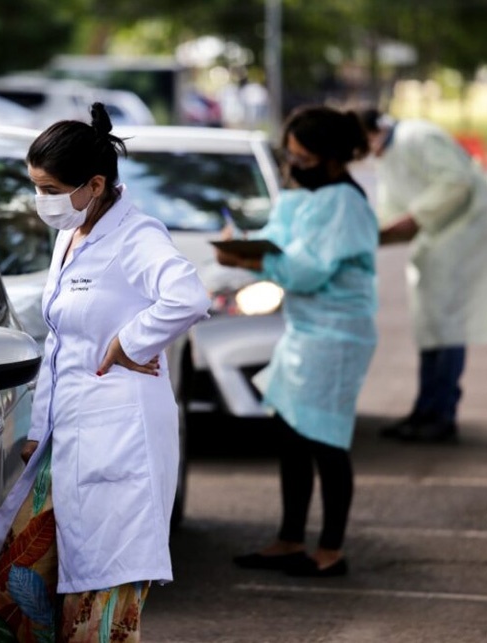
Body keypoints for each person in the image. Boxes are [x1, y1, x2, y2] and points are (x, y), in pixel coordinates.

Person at [0, 102, 210, 642]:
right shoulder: (72, 234)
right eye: (36, 187)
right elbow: (60, 340)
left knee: (99, 608)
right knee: (16, 587)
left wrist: (130, 341)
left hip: (119, 440)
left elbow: (188, 297)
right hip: (66, 437)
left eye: (51, 189)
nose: (41, 200)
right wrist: (39, 429)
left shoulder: (138, 236)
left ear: (96, 184)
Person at [215, 105, 378, 577]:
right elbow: (277, 238)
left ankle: (330, 551)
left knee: (326, 438)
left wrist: (248, 262)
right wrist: (243, 243)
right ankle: (289, 539)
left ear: (332, 158)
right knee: (290, 434)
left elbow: (307, 271)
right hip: (304, 329)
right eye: (290, 155)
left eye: (303, 158)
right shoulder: (304, 193)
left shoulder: (344, 201)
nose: (294, 165)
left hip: (336, 334)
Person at [355, 108, 487, 443]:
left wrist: (414, 218)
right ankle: (426, 409)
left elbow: (457, 181)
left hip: (462, 235)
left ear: (372, 132)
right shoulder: (388, 155)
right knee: (431, 327)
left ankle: (441, 413)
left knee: (447, 327)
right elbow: (392, 212)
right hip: (436, 241)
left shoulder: (416, 136)